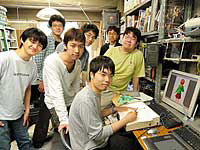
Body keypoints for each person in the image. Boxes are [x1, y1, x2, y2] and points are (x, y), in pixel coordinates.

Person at [69, 56, 139, 150]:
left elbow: (95, 114)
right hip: (90, 146)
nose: (107, 80)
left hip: (89, 140)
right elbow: (98, 135)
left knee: (128, 135)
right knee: (131, 143)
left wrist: (114, 109)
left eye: (110, 76)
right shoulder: (85, 100)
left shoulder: (93, 91)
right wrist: (126, 119)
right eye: (103, 74)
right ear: (92, 75)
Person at [0, 28, 47, 150]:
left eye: (40, 45)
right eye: (32, 41)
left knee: (26, 143)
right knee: (4, 146)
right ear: (22, 39)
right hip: (1, 115)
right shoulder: (4, 58)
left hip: (18, 113)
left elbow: (27, 88)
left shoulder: (33, 66)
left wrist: (26, 110)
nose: (35, 46)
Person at [43, 28, 85, 135]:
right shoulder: (52, 61)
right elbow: (56, 92)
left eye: (80, 46)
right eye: (73, 45)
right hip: (54, 102)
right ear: (65, 45)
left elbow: (76, 87)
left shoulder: (78, 63)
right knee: (64, 131)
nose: (77, 50)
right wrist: (64, 119)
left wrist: (78, 105)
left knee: (77, 129)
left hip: (70, 100)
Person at [32, 14, 65, 148]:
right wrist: (41, 80)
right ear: (51, 27)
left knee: (56, 110)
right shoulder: (47, 40)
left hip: (57, 81)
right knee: (44, 113)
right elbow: (39, 61)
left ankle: (58, 131)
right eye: (55, 25)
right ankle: (37, 141)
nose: (58, 28)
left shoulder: (63, 41)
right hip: (46, 81)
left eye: (60, 25)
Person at [104, 27, 145, 93]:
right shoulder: (111, 51)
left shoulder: (138, 55)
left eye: (133, 38)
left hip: (122, 92)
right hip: (106, 88)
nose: (129, 40)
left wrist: (135, 94)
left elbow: (136, 76)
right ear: (122, 38)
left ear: (137, 44)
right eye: (127, 37)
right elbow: (100, 69)